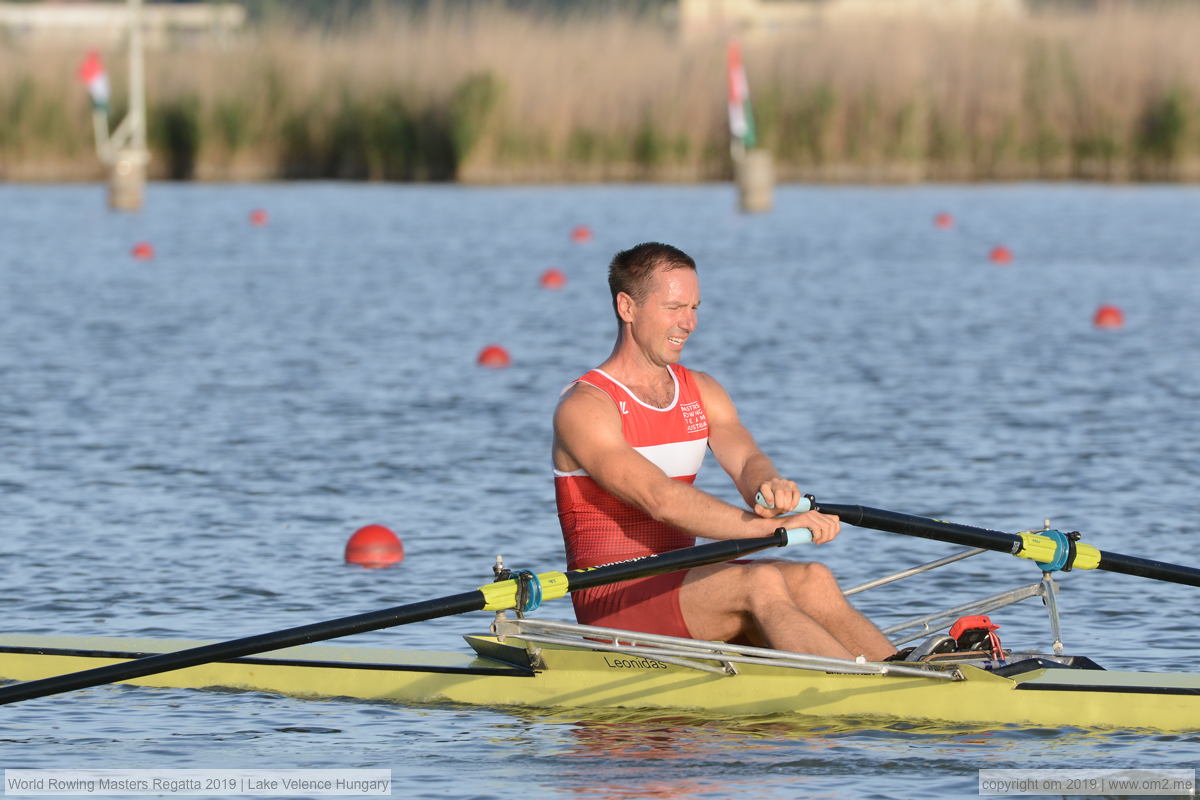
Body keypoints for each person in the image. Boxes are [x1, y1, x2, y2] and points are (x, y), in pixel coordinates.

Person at [552, 242, 895, 661]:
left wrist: (767, 488)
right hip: (615, 597)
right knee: (760, 583)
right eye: (675, 307)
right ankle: (866, 692)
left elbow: (748, 459)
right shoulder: (585, 407)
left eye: (695, 307)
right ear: (627, 307)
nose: (690, 323)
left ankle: (905, 676)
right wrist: (772, 529)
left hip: (683, 580)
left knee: (813, 578)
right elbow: (660, 500)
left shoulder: (702, 390)